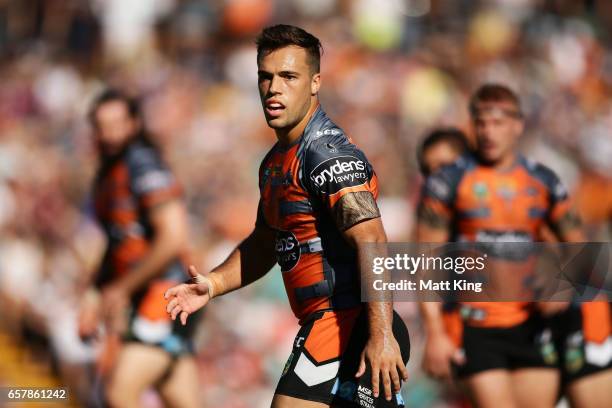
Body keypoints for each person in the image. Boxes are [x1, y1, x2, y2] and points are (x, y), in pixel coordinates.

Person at [164, 24, 410, 408]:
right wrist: (211, 284)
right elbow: (266, 243)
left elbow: (373, 241)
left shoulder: (327, 156)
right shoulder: (275, 164)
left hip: (349, 325)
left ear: (314, 83)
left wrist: (380, 337)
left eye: (288, 77)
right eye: (266, 77)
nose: (273, 88)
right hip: (326, 325)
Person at [417, 84, 584, 408]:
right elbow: (427, 263)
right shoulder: (447, 182)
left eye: (498, 123)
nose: (488, 132)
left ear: (517, 125)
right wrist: (435, 332)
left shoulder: (544, 181)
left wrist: (562, 283)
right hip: (477, 328)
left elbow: (579, 245)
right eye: (481, 123)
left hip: (534, 326)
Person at [82, 89, 200, 408]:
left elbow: (173, 237)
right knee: (181, 399)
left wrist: (121, 289)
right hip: (144, 295)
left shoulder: (143, 163)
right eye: (102, 126)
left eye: (117, 124)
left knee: (118, 392)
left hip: (165, 293)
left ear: (134, 124)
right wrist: (94, 294)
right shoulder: (107, 176)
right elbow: (117, 243)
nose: (109, 134)